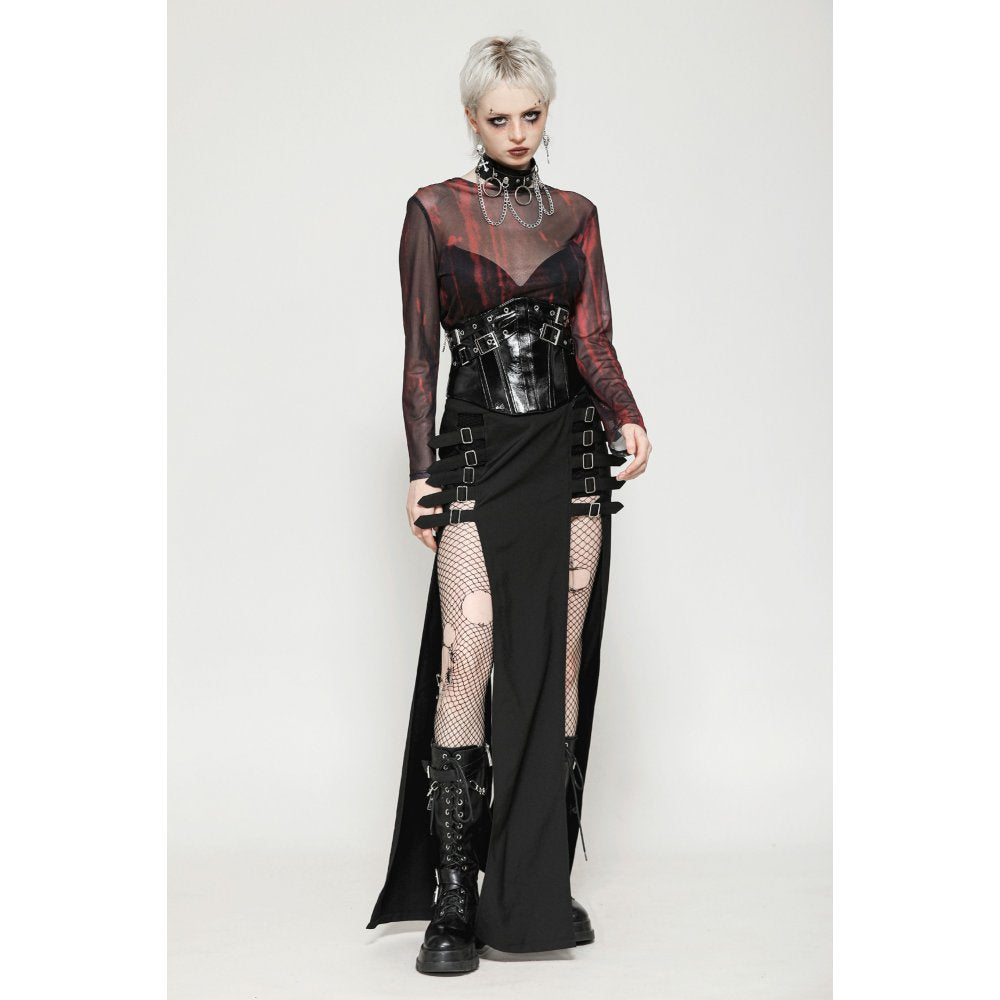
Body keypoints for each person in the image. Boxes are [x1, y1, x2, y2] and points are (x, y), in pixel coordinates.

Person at [366, 33, 652, 974]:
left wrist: (627, 412)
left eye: (532, 115)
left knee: (558, 662)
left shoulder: (577, 216)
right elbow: (420, 356)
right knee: (469, 654)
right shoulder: (434, 212)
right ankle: (454, 901)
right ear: (471, 119)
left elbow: (593, 337)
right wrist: (421, 468)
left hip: (569, 453)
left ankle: (535, 881)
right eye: (500, 118)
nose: (518, 133)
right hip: (478, 452)